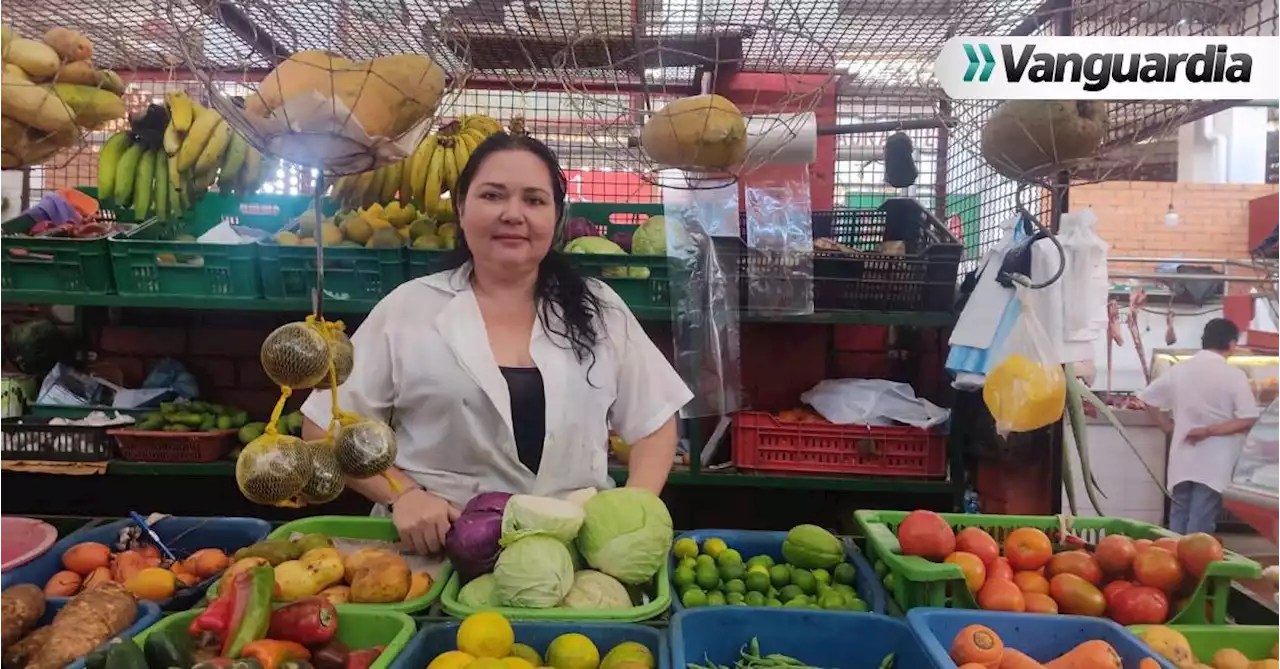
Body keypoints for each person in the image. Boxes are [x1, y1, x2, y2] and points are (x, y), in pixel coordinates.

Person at [300, 133, 693, 556]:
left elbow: (654, 421)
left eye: (534, 200)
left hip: (573, 555)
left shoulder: (599, 309)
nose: (513, 214)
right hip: (436, 553)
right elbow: (324, 427)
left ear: (557, 218)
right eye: (492, 195)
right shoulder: (408, 308)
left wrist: (629, 517)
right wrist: (403, 494)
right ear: (461, 209)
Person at [1139, 318, 1259, 535]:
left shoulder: (1180, 369)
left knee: (1179, 513)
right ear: (1231, 344)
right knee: (1201, 519)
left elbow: (1147, 399)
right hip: (1216, 459)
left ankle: (1171, 563)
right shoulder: (1234, 375)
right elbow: (1248, 418)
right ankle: (1194, 566)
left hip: (1183, 455)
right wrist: (1209, 431)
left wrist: (1166, 426)